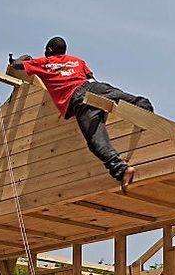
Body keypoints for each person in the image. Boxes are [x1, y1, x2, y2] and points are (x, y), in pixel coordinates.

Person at [9, 37, 154, 190]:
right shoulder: (77, 61)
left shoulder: (44, 63)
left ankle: (121, 169)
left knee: (95, 140)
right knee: (128, 99)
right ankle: (146, 109)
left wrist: (25, 58)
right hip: (94, 87)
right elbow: (91, 78)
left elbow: (16, 65)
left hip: (78, 97)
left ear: (49, 51)